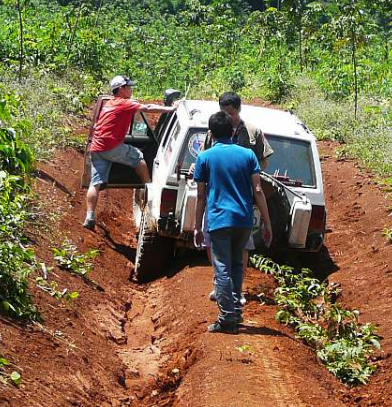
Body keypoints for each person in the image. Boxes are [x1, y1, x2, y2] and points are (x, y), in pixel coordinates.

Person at [193, 111, 273, 334]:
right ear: (233, 131)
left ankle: (227, 319)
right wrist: (267, 223)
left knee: (222, 269)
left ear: (211, 133)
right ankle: (235, 312)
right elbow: (258, 190)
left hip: (219, 219)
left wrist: (197, 226)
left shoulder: (205, 158)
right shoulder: (248, 155)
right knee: (237, 266)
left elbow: (200, 196)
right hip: (244, 219)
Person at [84, 75, 177, 230]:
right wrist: (171, 109)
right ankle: (149, 190)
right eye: (129, 87)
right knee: (139, 158)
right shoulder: (125, 103)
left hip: (96, 147)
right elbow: (147, 108)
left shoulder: (108, 103)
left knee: (95, 183)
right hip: (111, 146)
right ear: (121, 89)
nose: (131, 89)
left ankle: (89, 216)